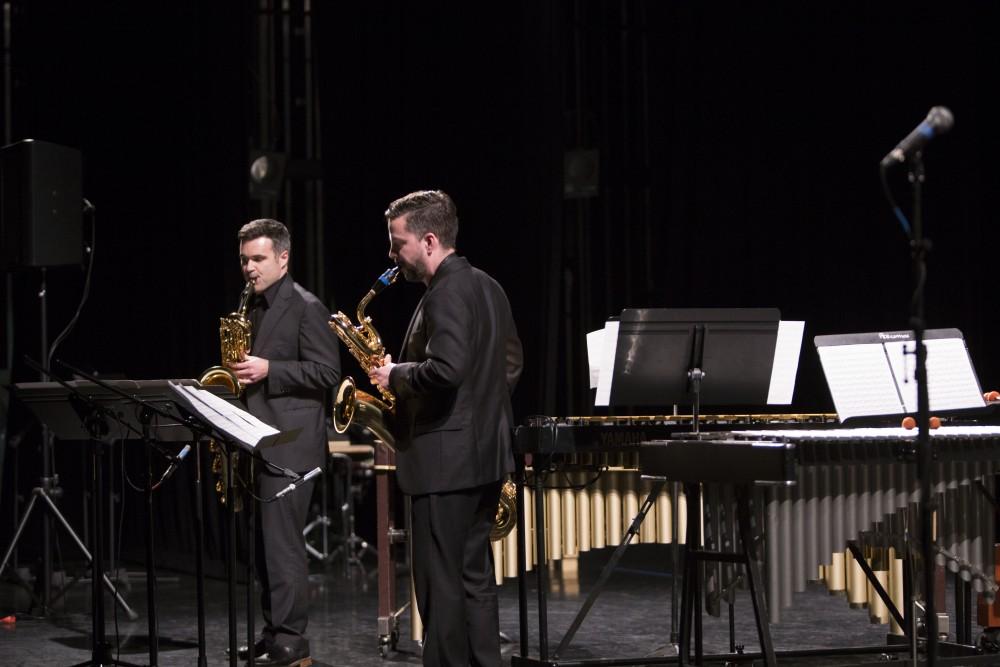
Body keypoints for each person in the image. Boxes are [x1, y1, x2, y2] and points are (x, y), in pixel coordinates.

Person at [369, 190, 523, 667]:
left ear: (430, 240)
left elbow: (447, 369)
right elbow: (511, 362)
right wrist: (479, 412)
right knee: (473, 578)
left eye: (399, 244)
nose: (394, 255)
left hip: (443, 464)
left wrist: (394, 375)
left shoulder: (446, 292)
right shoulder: (488, 286)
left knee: (440, 585)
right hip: (483, 456)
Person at [228, 218, 340, 667]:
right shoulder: (248, 305)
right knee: (263, 548)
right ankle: (273, 633)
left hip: (292, 446)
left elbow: (328, 373)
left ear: (283, 257)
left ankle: (293, 642)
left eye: (257, 259)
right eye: (243, 260)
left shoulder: (305, 306)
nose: (249, 269)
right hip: (256, 439)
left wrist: (270, 368)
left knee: (284, 547)